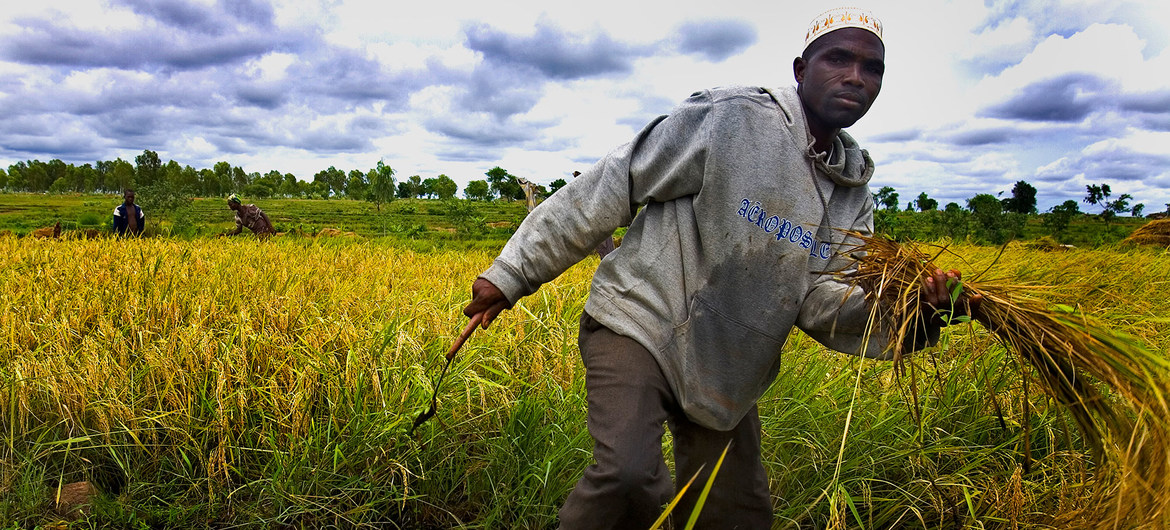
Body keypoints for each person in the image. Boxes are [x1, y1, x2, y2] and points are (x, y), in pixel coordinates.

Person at [461, 8, 981, 529]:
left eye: (873, 69)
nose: (855, 77)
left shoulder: (852, 200)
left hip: (728, 360)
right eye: (838, 58)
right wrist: (510, 275)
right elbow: (614, 184)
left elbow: (824, 302)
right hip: (639, 322)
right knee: (627, 473)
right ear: (801, 69)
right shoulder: (730, 119)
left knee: (736, 511)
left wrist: (915, 309)